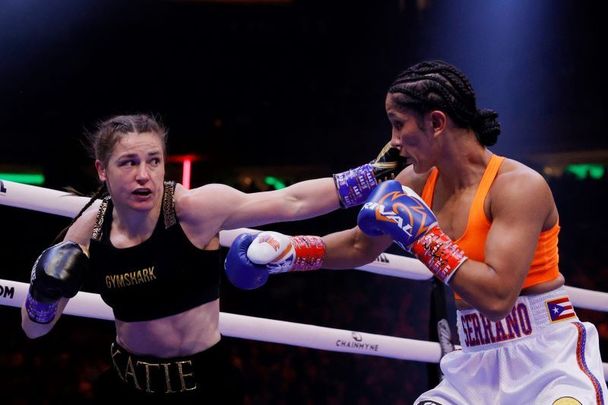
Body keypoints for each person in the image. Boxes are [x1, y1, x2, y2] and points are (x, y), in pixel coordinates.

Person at [226, 60, 608, 404]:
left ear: (436, 122)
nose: (393, 141)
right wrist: (291, 253)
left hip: (545, 356)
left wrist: (422, 235)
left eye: (398, 124)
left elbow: (497, 298)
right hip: (473, 364)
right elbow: (361, 244)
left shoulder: (518, 186)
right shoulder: (417, 181)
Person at [20, 113, 406, 404]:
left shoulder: (193, 209)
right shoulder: (89, 230)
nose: (144, 175)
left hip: (206, 384)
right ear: (102, 171)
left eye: (153, 160)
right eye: (129, 162)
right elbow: (34, 329)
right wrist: (43, 293)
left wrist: (373, 174)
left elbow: (292, 200)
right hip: (127, 384)